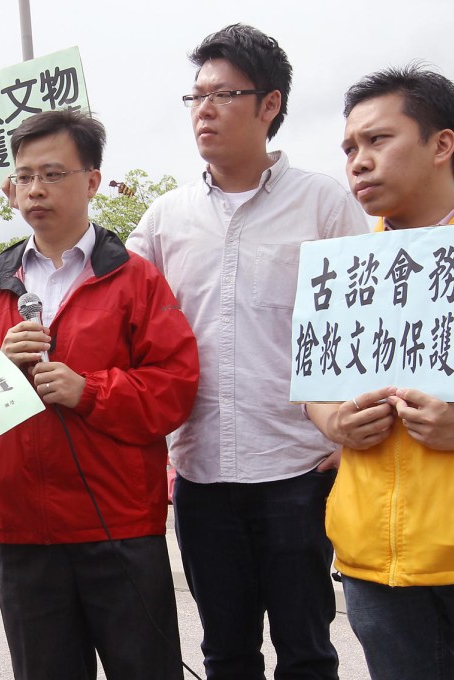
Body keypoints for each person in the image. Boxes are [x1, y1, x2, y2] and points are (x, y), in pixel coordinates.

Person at [124, 24, 368, 679]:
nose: (203, 109)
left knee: (308, 651)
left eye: (223, 94)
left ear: (269, 105)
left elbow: (361, 331)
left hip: (299, 471)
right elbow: (122, 323)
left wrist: (347, 439)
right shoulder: (164, 218)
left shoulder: (326, 205)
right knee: (225, 653)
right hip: (200, 474)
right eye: (195, 96)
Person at [0, 109, 199, 680]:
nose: (35, 189)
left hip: (118, 527)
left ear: (92, 181)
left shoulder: (136, 279)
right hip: (24, 530)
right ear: (9, 189)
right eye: (24, 176)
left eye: (54, 173)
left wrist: (89, 391)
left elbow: (175, 388)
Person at [306, 65, 454, 680]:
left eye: (378, 140)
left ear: (442, 143)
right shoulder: (343, 267)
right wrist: (334, 419)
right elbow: (314, 387)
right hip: (373, 560)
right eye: (349, 148)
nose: (358, 162)